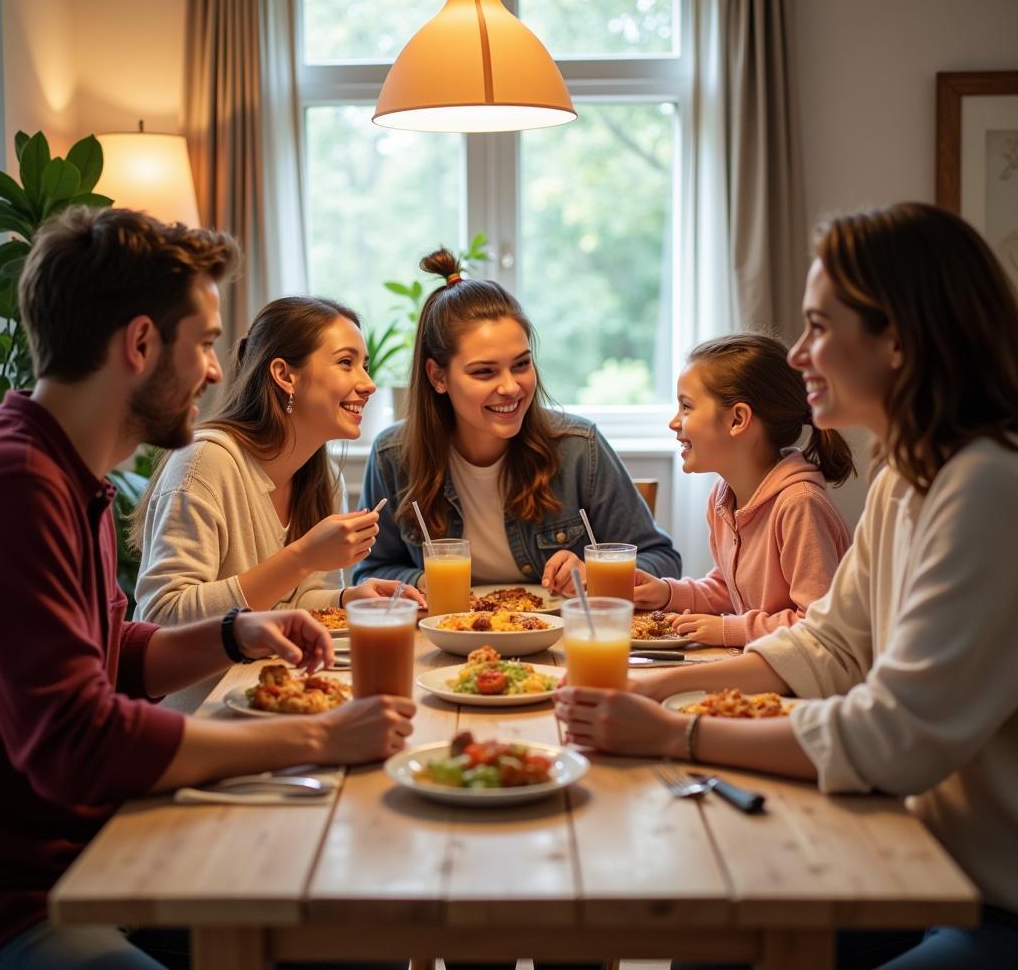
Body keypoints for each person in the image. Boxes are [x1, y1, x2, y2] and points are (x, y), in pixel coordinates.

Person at [554, 202, 1018, 969]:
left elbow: (893, 733)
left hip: (988, 897)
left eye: (818, 327)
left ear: (896, 340)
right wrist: (657, 689)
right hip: (918, 856)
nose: (800, 354)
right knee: (709, 933)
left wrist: (678, 732)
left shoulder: (988, 486)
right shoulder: (912, 475)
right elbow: (831, 641)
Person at [0, 208, 415, 970]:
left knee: (365, 927)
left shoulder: (63, 472)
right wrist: (319, 736)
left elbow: (114, 648)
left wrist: (231, 633)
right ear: (142, 344)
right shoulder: (20, 482)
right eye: (209, 344)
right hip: (35, 892)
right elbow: (76, 741)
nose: (219, 373)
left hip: (101, 839)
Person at [355, 248, 682, 593]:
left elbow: (661, 558)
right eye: (484, 372)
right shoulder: (393, 456)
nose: (511, 387)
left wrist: (596, 572)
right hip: (444, 640)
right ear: (438, 377)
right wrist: (425, 581)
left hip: (560, 640)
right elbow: (371, 572)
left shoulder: (578, 447)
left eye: (522, 364)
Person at [132, 296, 423, 626]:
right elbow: (164, 615)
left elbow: (291, 601)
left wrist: (345, 600)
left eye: (365, 366)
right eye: (345, 363)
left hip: (284, 673)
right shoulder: (204, 462)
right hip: (215, 680)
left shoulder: (325, 479)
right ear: (285, 375)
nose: (368, 384)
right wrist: (302, 557)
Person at [631, 333, 853, 644]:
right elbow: (727, 589)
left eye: (686, 407)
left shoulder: (799, 505)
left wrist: (728, 630)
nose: (674, 422)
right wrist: (666, 592)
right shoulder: (723, 497)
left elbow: (819, 624)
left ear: (737, 419)